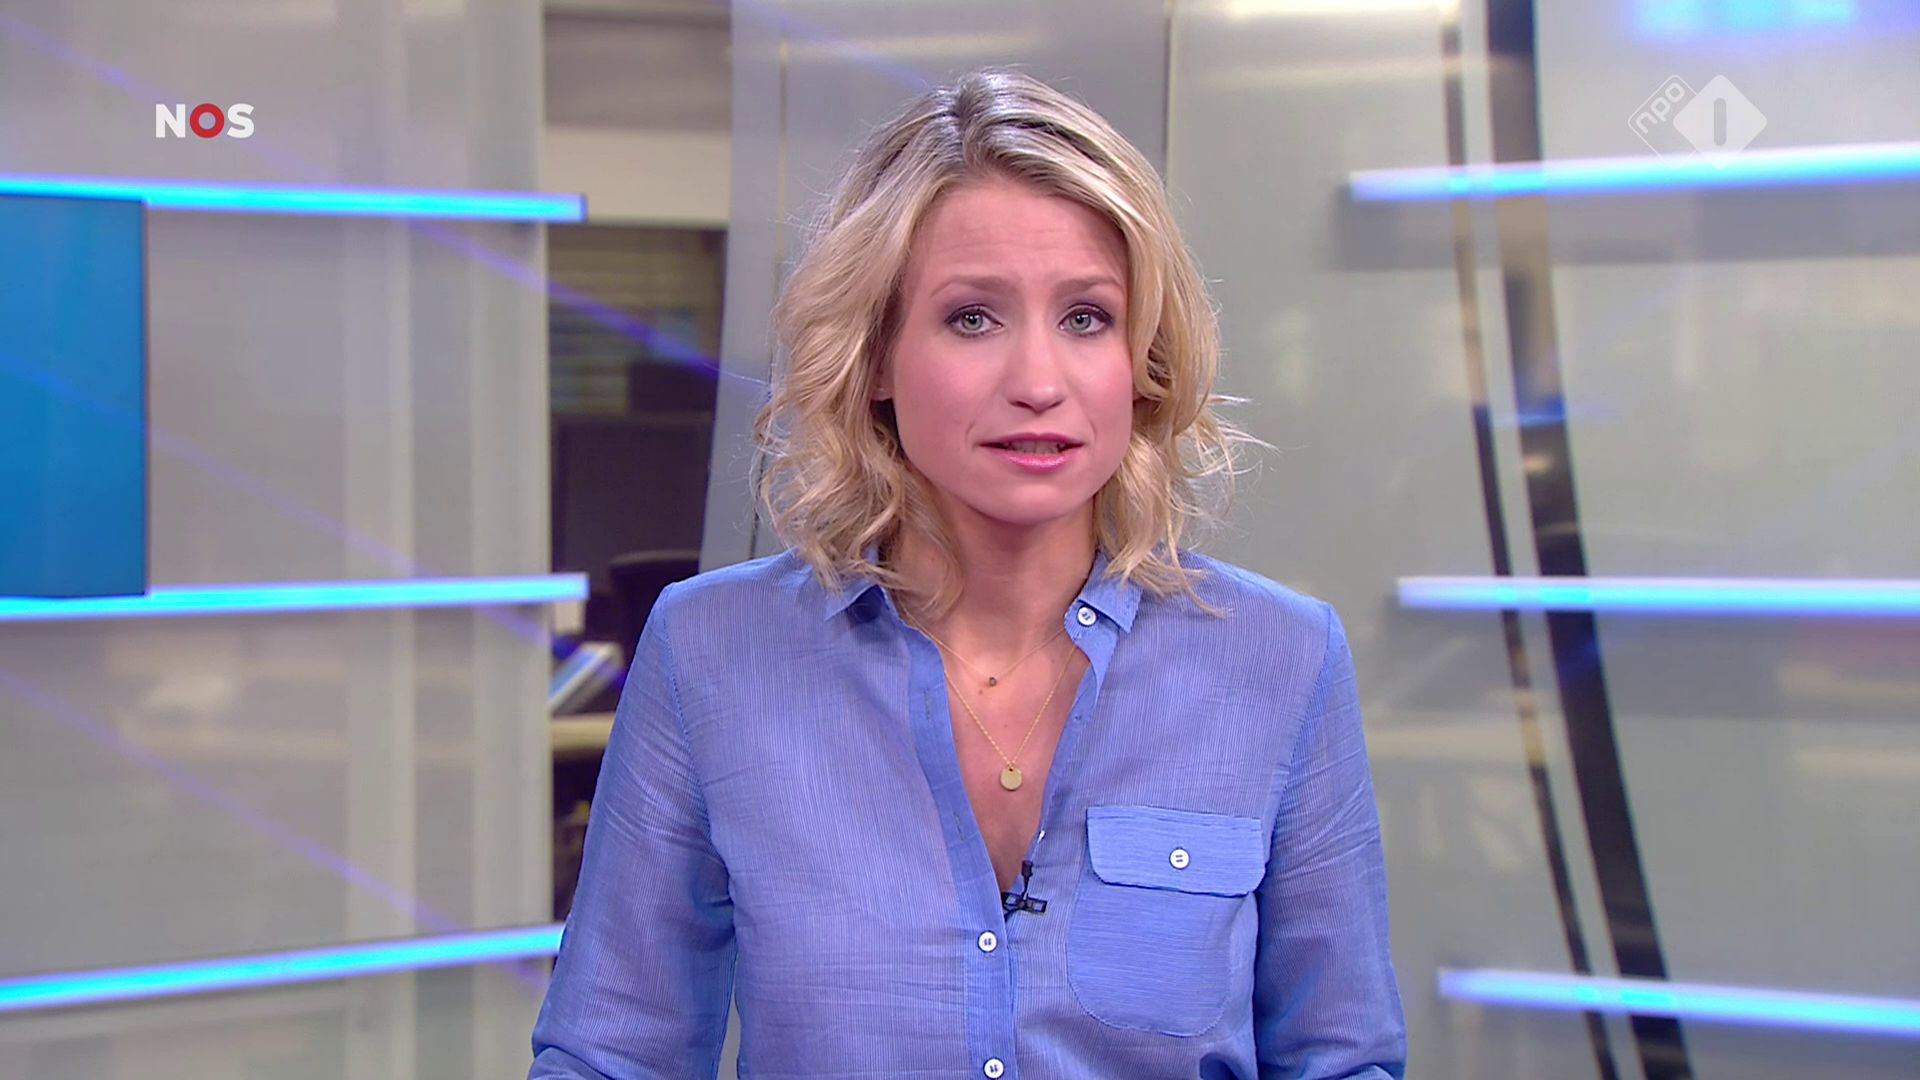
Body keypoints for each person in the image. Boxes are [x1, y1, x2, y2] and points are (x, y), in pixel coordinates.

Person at [529, 67, 1406, 1080]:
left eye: (1087, 318)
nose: (1038, 383)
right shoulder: (711, 652)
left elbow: (1342, 1060)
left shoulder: (1282, 661)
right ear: (875, 359)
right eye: (972, 318)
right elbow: (613, 1055)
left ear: (1142, 361)